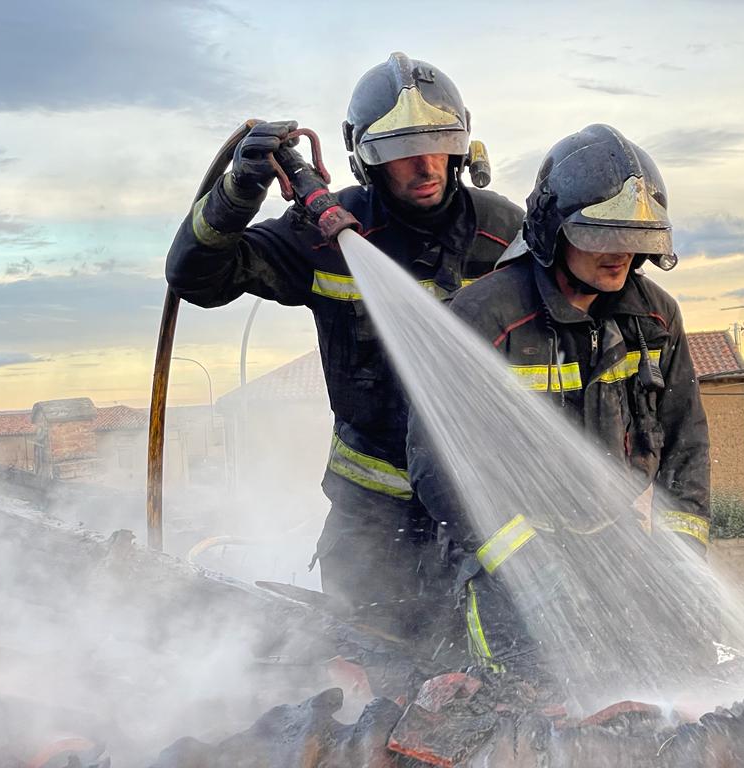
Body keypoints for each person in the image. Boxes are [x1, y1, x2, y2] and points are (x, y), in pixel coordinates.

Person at [165, 52, 523, 649]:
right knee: (368, 677)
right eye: (400, 147)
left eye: (439, 141)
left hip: (483, 513)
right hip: (371, 523)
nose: (425, 163)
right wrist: (236, 192)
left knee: (486, 685)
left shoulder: (506, 234)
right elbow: (196, 278)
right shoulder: (327, 231)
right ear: (364, 155)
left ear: (463, 143)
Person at [407, 123, 711, 677]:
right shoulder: (485, 317)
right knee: (528, 709)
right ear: (552, 229)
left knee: (669, 693)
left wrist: (681, 559)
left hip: (614, 550)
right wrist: (519, 562)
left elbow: (686, 443)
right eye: (600, 234)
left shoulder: (656, 320)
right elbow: (437, 459)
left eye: (632, 236)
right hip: (508, 556)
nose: (619, 253)